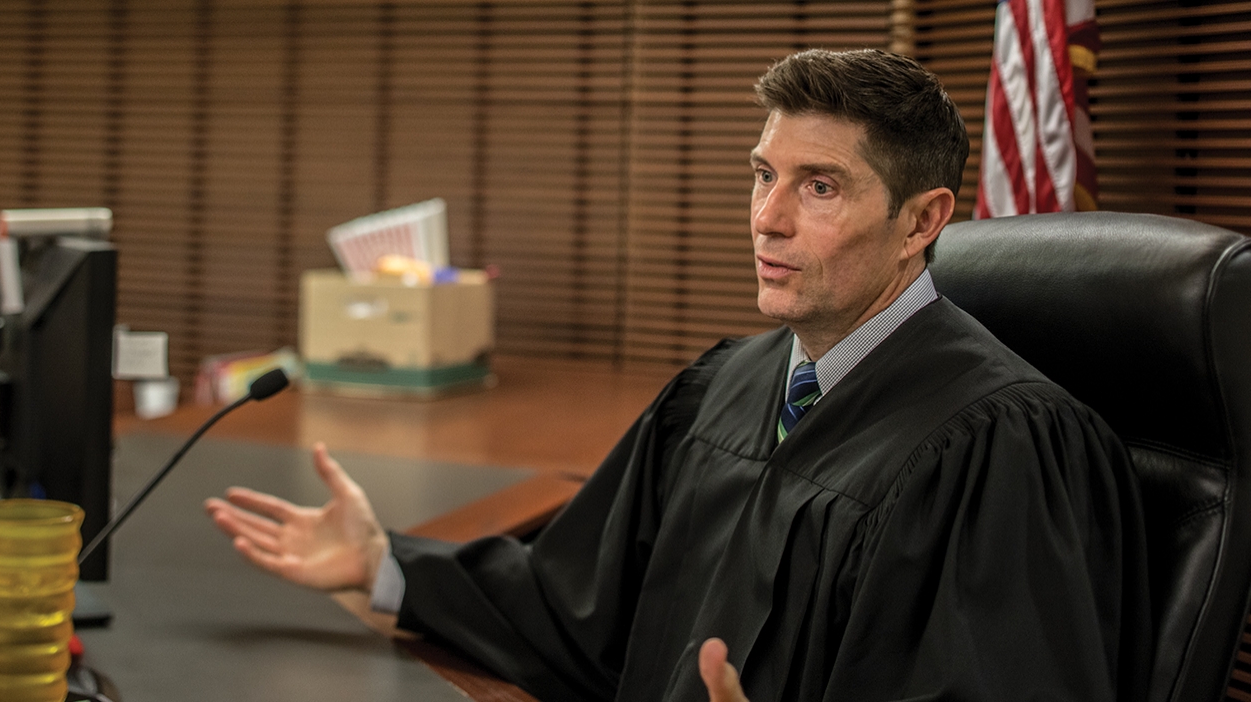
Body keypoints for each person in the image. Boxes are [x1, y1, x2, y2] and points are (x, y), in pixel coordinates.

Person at [206, 49, 1151, 702]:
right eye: (760, 175)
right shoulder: (724, 389)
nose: (767, 218)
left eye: (818, 186)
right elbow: (579, 612)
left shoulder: (1003, 446)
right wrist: (383, 566)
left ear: (920, 221)